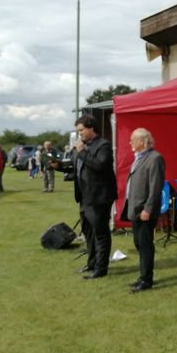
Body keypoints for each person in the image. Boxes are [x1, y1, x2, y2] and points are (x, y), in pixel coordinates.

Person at [72, 115, 117, 279]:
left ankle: (101, 268)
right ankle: (91, 263)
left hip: (99, 197)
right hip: (84, 197)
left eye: (82, 130)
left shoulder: (103, 145)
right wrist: (59, 166)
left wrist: (82, 151)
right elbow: (79, 168)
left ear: (91, 128)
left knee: (100, 233)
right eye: (78, 131)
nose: (80, 134)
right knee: (88, 232)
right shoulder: (84, 146)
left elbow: (99, 165)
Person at [121, 128, 165, 293]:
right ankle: (143, 276)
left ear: (142, 141)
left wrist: (148, 208)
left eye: (132, 139)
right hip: (135, 208)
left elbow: (155, 187)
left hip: (144, 211)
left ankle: (146, 280)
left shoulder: (155, 158)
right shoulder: (139, 157)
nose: (130, 142)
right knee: (139, 243)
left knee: (145, 244)